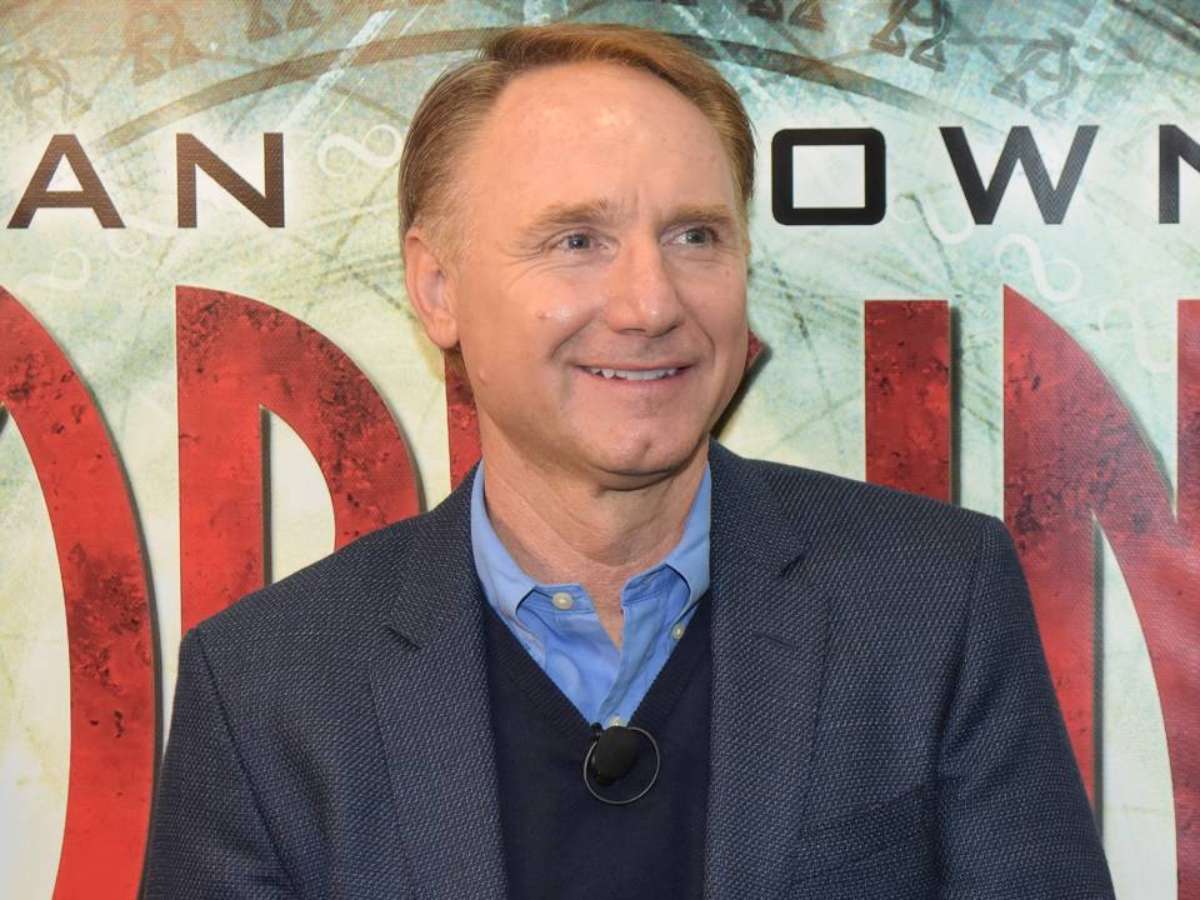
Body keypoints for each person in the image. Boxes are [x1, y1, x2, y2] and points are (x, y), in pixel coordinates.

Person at [143, 22, 1115, 899]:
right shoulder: (265, 689)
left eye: (696, 236)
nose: (651, 304)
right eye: (578, 240)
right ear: (437, 288)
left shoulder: (934, 602)